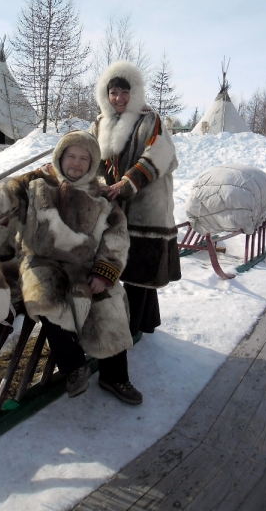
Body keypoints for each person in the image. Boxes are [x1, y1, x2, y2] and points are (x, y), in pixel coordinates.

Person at [0, 131, 142, 404]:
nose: (76, 164)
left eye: (83, 159)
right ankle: (73, 366)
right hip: (40, 260)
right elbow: (2, 197)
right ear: (60, 156)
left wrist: (104, 271)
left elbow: (116, 236)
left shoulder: (101, 195)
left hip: (85, 265)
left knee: (110, 302)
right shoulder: (36, 182)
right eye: (71, 156)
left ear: (92, 163)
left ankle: (115, 376)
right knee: (43, 297)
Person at [89, 60, 181, 336]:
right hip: (117, 203)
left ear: (135, 92)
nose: (119, 98)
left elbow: (161, 154)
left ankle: (131, 329)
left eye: (124, 92)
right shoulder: (101, 124)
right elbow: (93, 157)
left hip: (147, 203)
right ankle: (148, 321)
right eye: (113, 93)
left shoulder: (148, 119)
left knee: (140, 268)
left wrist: (127, 183)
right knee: (125, 262)